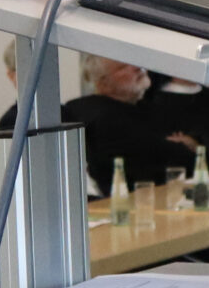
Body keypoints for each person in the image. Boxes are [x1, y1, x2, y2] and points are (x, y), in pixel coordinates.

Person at [60, 57, 186, 191]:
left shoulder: (150, 107)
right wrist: (183, 146)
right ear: (103, 82)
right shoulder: (93, 112)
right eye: (123, 67)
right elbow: (159, 157)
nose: (137, 67)